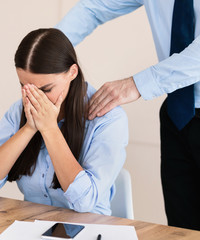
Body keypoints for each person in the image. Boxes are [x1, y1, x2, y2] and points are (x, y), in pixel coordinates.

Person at [56, 0, 200, 230]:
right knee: (180, 229)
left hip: (178, 103)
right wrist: (46, 52)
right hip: (177, 114)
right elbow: (93, 8)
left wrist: (136, 84)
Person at [0, 28, 128, 215]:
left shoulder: (109, 119)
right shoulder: (18, 111)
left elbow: (85, 202)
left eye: (46, 89)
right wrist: (29, 128)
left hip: (87, 229)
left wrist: (49, 129)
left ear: (72, 72)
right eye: (25, 87)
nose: (35, 98)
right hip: (32, 225)